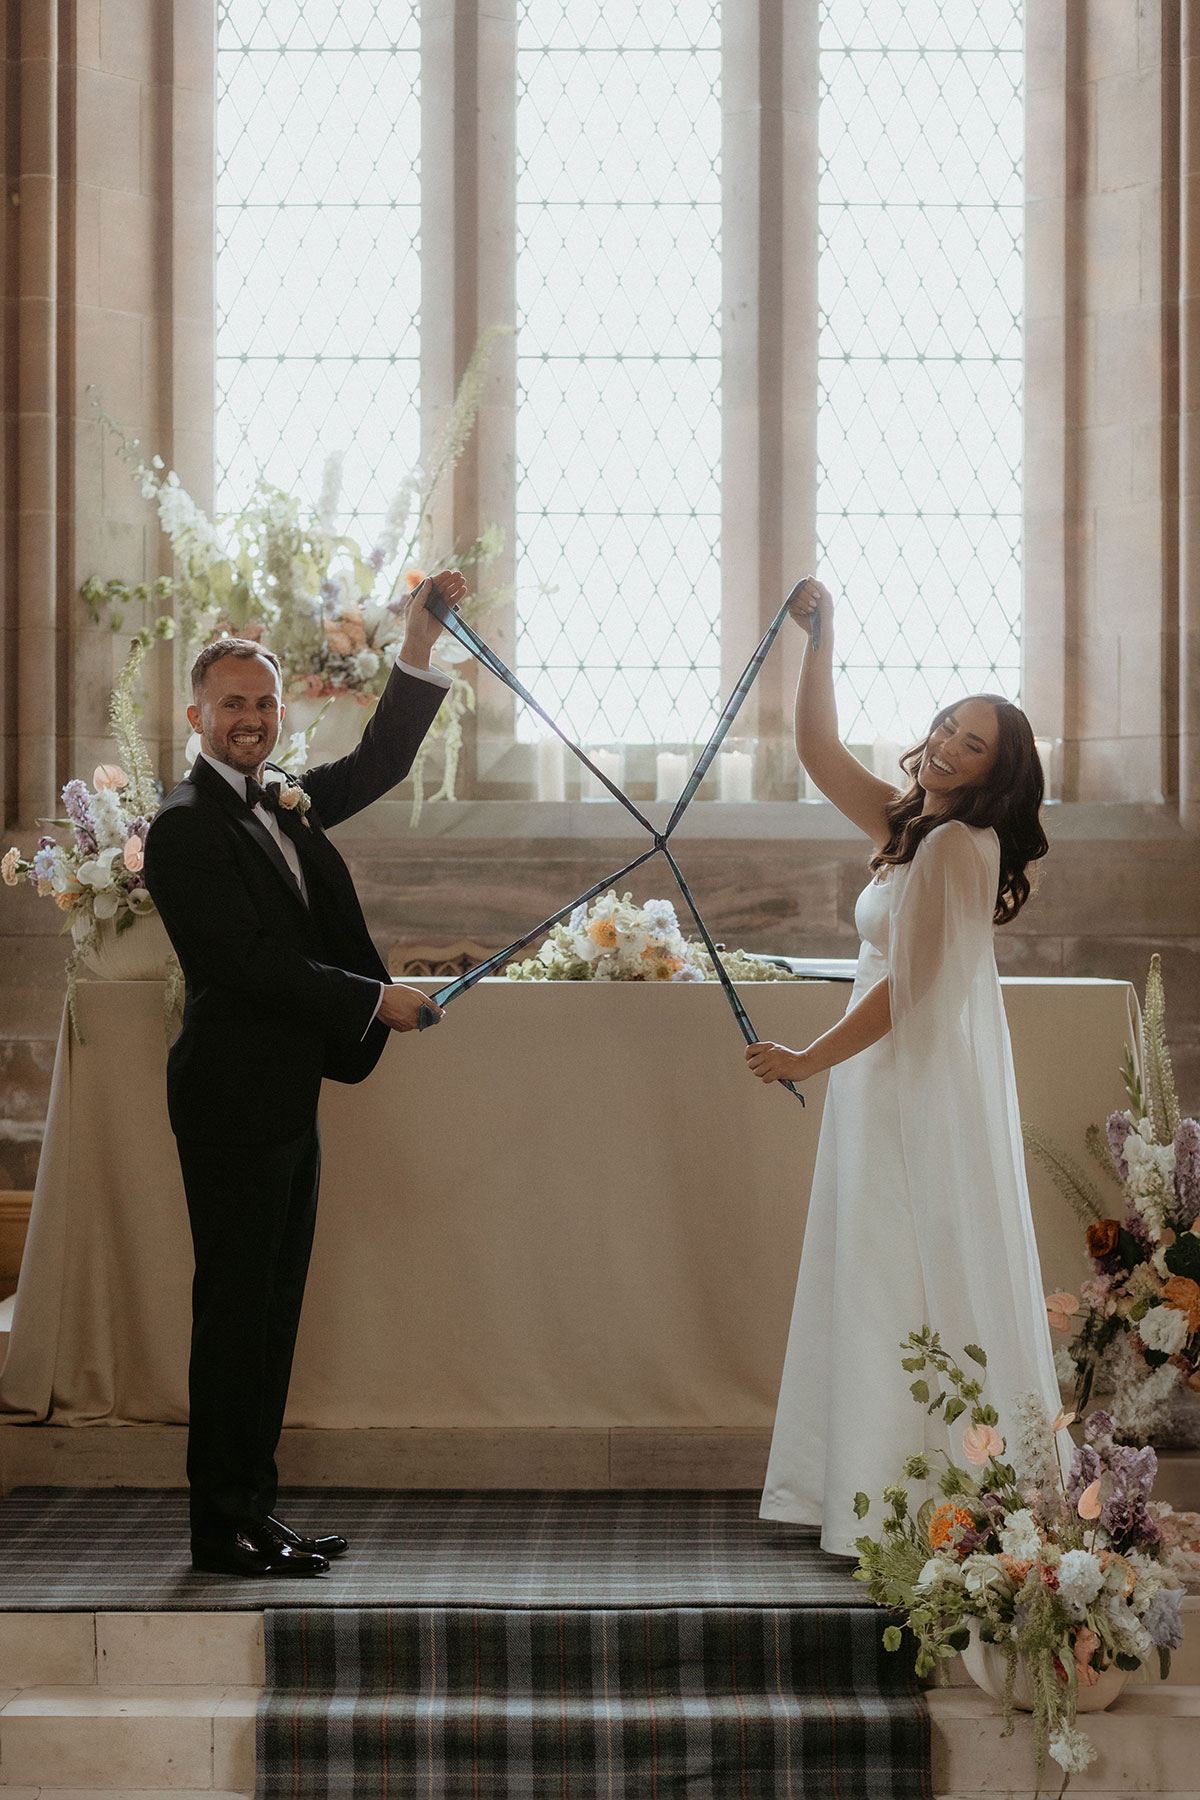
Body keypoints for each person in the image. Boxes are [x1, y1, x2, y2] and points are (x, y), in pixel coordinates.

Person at [143, 570, 464, 1576]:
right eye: (232, 703)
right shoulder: (186, 822)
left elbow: (377, 760)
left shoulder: (281, 800)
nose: (251, 718)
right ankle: (218, 1523)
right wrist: (376, 1000)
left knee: (271, 1313)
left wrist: (419, 640)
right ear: (196, 715)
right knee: (236, 1312)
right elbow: (244, 963)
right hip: (232, 1101)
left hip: (284, 1096)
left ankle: (251, 1512)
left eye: (265, 702)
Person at [747, 576, 1062, 1556]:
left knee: (904, 1266)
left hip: (906, 1082)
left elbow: (907, 993)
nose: (943, 743)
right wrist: (822, 638)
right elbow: (814, 753)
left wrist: (807, 1054)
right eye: (941, 725)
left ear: (997, 773)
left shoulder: (961, 848)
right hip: (880, 1082)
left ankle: (934, 1501)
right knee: (872, 1267)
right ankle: (871, 1488)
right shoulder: (912, 826)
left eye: (970, 742)